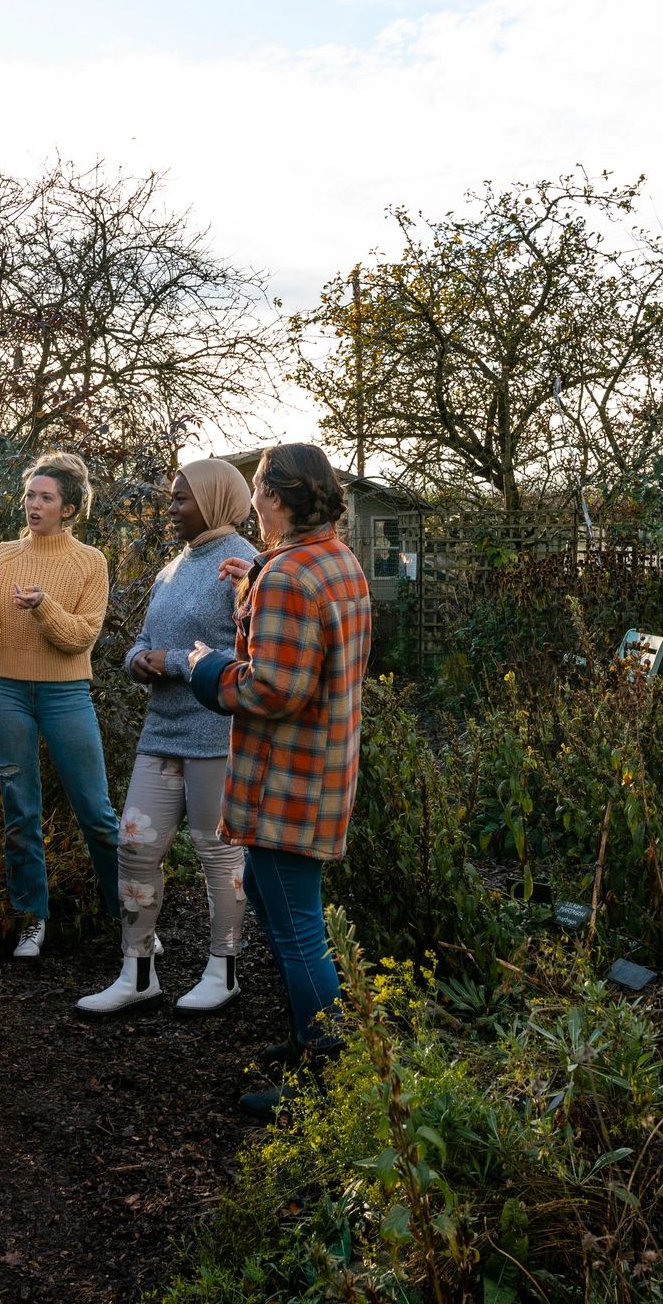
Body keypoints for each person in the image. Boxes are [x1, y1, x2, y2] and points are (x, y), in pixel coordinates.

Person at [188, 443, 372, 1119]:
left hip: (287, 781)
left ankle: (325, 1078)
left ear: (278, 498)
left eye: (258, 489)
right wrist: (255, 578)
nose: (252, 502)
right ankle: (308, 1041)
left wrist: (204, 668)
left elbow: (273, 688)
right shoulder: (333, 560)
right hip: (318, 770)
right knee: (274, 907)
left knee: (297, 931)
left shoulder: (290, 576)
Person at [76, 459, 258, 1016]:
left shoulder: (242, 564)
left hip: (215, 733)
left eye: (182, 498)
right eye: (172, 498)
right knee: (135, 846)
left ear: (215, 499)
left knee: (218, 854)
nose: (171, 507)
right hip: (161, 732)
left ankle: (222, 970)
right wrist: (137, 659)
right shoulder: (172, 567)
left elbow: (251, 653)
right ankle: (137, 973)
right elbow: (144, 638)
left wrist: (174, 661)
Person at [0, 452, 117, 960]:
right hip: (5, 692)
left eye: (46, 497)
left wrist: (43, 605)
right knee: (21, 811)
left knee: (96, 812)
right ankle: (31, 918)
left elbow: (80, 638)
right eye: (30, 496)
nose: (33, 505)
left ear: (68, 508)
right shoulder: (3, 556)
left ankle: (129, 916)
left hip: (66, 694)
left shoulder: (91, 562)